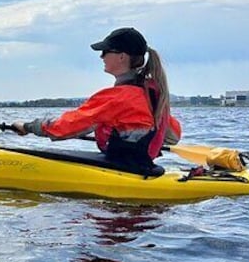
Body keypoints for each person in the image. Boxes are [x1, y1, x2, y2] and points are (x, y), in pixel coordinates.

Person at [12, 27, 181, 175]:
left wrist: (27, 127)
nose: (101, 56)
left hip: (124, 169)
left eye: (105, 52)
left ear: (122, 56)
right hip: (140, 166)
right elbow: (173, 136)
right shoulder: (152, 94)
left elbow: (65, 127)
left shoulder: (118, 97)